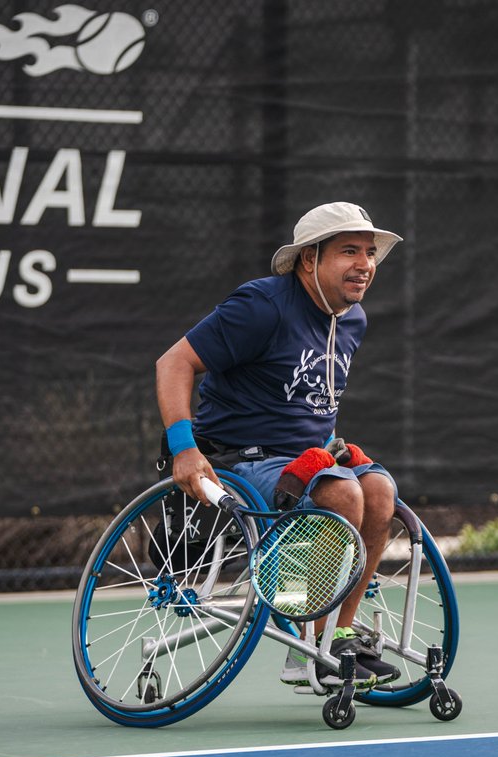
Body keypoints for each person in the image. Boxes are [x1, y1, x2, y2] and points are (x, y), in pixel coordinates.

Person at [155, 201, 403, 687]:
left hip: (306, 463)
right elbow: (173, 363)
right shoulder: (262, 305)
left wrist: (330, 445)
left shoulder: (352, 320)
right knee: (342, 493)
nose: (365, 264)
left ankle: (339, 633)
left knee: (378, 492)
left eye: (370, 253)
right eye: (348, 251)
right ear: (309, 260)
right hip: (236, 460)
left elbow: (310, 401)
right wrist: (183, 448)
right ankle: (308, 647)